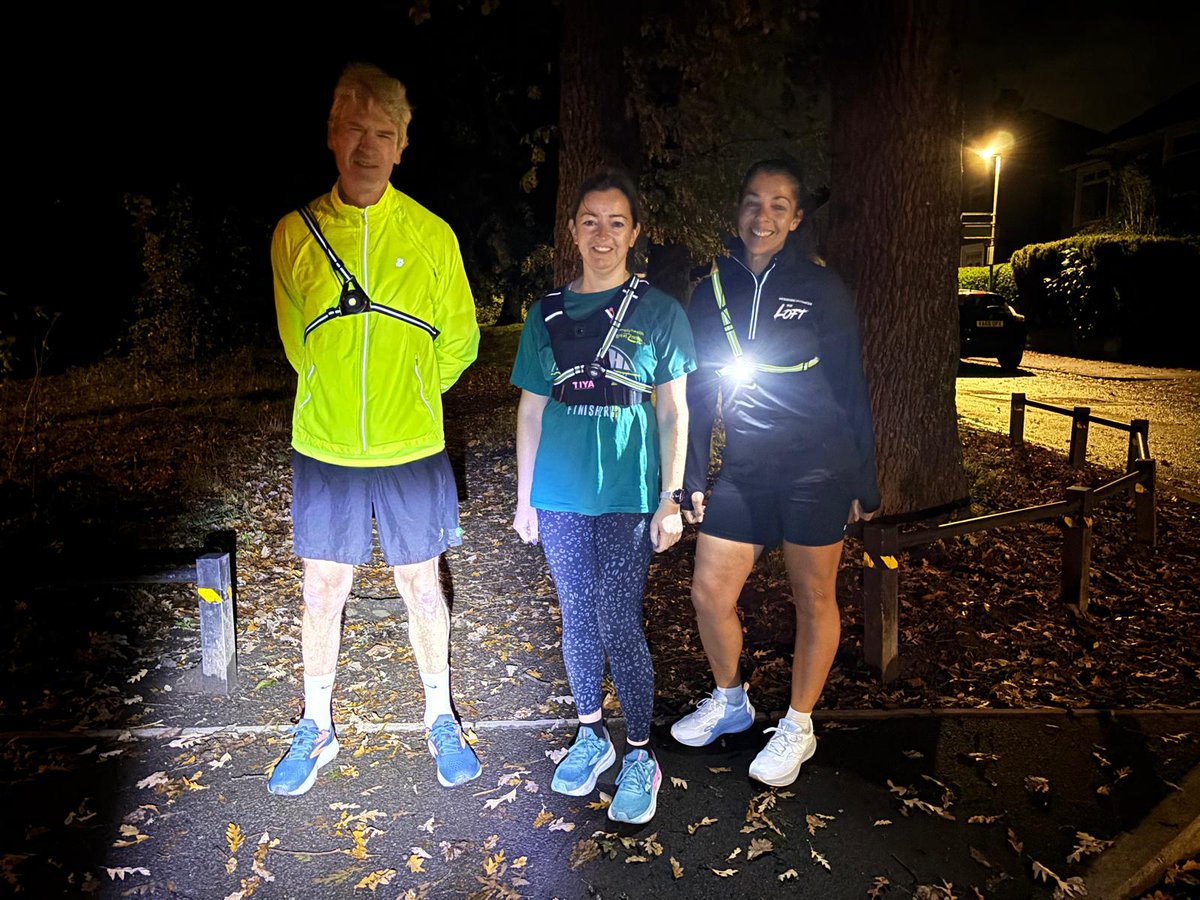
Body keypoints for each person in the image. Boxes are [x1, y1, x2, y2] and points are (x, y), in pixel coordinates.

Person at [268, 63, 482, 796]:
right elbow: (300, 346)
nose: (367, 144)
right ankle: (318, 727)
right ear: (332, 135)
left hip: (411, 447)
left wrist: (410, 396)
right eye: (354, 128)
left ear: (401, 146)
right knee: (321, 591)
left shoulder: (431, 235)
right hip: (323, 447)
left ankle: (438, 716)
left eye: (383, 133)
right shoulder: (292, 235)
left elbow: (459, 343)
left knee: (422, 586)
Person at [671, 159, 880, 787]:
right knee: (710, 591)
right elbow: (698, 389)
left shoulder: (821, 287)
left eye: (779, 205)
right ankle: (733, 703)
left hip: (819, 466)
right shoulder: (709, 289)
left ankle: (798, 725)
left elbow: (850, 385)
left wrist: (863, 481)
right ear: (738, 211)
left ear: (795, 219)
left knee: (812, 598)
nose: (764, 216)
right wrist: (691, 473)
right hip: (744, 467)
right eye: (754, 203)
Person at [511, 168, 696, 825]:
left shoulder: (660, 312)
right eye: (590, 220)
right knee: (576, 614)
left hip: (628, 492)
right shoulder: (547, 314)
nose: (602, 234)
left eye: (616, 222)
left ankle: (641, 754)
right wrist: (524, 496)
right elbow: (531, 412)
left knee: (619, 614)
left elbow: (675, 413)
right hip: (559, 494)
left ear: (635, 233)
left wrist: (673, 496)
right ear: (572, 230)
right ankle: (591, 735)